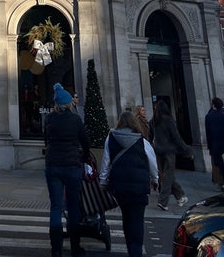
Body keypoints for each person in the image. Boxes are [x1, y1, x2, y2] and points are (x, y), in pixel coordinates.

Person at [99, 110, 158, 257]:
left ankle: (130, 248)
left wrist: (103, 180)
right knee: (137, 220)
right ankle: (135, 251)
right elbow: (152, 162)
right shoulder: (142, 141)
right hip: (139, 186)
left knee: (126, 217)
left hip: (120, 187)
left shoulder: (111, 138)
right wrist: (155, 179)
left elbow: (106, 161)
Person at [44, 82, 90, 257]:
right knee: (73, 206)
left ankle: (56, 248)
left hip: (53, 164)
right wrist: (84, 156)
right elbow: (85, 141)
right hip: (71, 164)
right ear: (68, 103)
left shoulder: (50, 119)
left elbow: (46, 140)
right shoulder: (75, 119)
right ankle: (75, 247)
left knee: (56, 206)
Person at [148, 99, 193, 211]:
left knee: (166, 175)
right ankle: (163, 201)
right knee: (168, 175)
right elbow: (176, 137)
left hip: (158, 150)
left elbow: (150, 135)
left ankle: (180, 196)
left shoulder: (153, 121)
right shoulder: (168, 120)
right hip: (169, 151)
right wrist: (186, 149)